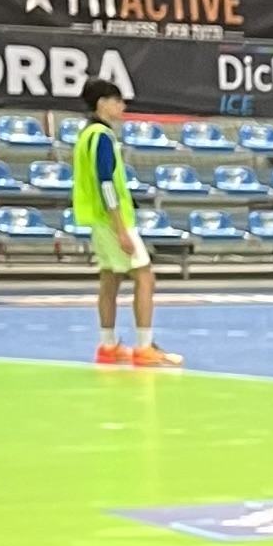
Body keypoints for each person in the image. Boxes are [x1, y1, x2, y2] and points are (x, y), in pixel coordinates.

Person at [70, 78, 180, 368]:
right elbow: (106, 183)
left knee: (110, 278)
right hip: (112, 220)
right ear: (102, 103)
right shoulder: (102, 136)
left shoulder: (85, 135)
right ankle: (144, 347)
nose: (123, 106)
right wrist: (120, 228)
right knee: (145, 277)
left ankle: (108, 346)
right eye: (117, 100)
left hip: (97, 219)